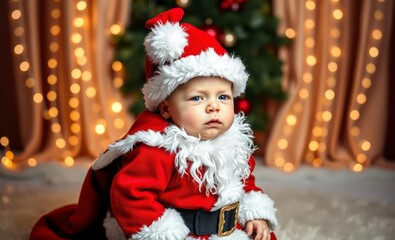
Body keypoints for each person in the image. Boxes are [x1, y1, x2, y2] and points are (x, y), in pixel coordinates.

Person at [30, 8, 277, 240]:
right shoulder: (158, 148)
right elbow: (130, 196)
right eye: (197, 98)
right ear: (166, 108)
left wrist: (255, 213)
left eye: (223, 96)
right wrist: (162, 231)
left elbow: (244, 180)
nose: (214, 106)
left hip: (223, 229)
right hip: (178, 231)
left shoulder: (232, 140)